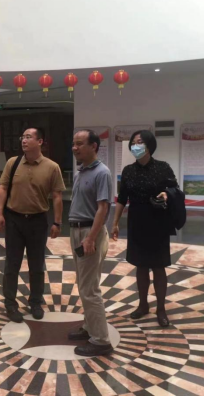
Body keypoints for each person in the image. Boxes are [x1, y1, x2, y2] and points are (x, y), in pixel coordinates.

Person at [0, 127, 66, 323]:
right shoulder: (13, 163)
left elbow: (57, 196)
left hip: (38, 221)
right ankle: (10, 304)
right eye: (22, 137)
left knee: (36, 265)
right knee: (12, 263)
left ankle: (35, 302)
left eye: (28, 137)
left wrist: (57, 222)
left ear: (40, 141)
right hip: (14, 220)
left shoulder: (52, 167)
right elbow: (3, 188)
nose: (24, 140)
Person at [111, 130, 176, 327]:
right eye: (133, 142)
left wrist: (166, 194)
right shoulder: (128, 171)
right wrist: (115, 223)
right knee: (140, 265)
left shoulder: (163, 168)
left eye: (139, 142)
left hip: (158, 222)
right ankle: (142, 305)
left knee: (158, 266)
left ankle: (161, 309)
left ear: (149, 145)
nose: (135, 145)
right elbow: (122, 199)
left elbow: (174, 189)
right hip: (137, 221)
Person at [67, 129, 114, 357]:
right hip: (77, 231)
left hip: (89, 232)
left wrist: (91, 238)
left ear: (93, 146)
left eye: (79, 144)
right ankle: (89, 327)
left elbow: (103, 208)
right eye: (73, 143)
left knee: (89, 289)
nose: (74, 148)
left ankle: (101, 341)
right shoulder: (81, 171)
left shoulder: (102, 172)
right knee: (84, 284)